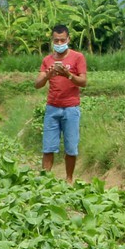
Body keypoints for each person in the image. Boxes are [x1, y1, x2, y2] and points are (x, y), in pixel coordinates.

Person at [33, 24, 88, 183]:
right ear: (52, 41)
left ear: (68, 39)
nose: (59, 43)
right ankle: (46, 181)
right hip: (52, 109)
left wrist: (68, 75)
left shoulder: (78, 57)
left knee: (71, 148)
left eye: (62, 40)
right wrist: (47, 76)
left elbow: (83, 81)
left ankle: (69, 179)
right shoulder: (47, 60)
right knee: (48, 147)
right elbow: (37, 84)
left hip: (71, 109)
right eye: (56, 40)